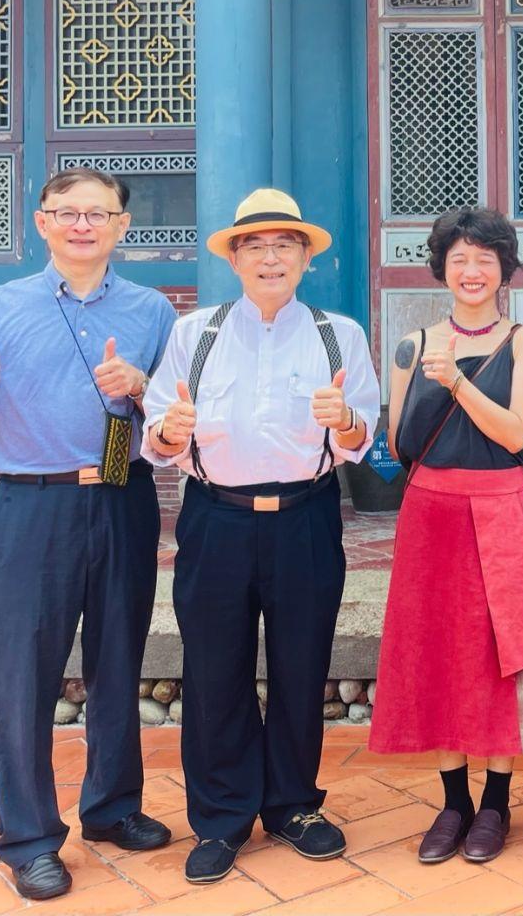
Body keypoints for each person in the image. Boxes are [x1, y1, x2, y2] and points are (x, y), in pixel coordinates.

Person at [0, 167, 177, 902]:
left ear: (122, 226)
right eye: (67, 212)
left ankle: (112, 807)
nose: (82, 225)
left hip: (123, 496)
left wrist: (139, 385)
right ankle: (30, 838)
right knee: (24, 675)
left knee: (117, 661)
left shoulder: (152, 310)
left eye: (98, 214)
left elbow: (173, 416)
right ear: (41, 222)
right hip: (31, 507)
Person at [140, 188, 380, 885]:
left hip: (306, 518)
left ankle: (294, 806)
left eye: (284, 246)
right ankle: (220, 818)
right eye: (255, 247)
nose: (270, 258)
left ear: (305, 259)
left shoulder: (339, 334)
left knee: (303, 665)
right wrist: (169, 431)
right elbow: (157, 433)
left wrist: (345, 422)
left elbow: (363, 436)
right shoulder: (196, 334)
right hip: (215, 518)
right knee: (215, 670)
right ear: (234, 260)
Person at [368, 207, 523, 866]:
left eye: (485, 258)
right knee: (438, 651)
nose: (472, 271)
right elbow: (400, 445)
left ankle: (497, 803)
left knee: (500, 652)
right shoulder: (413, 343)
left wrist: (454, 380)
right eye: (459, 259)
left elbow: (514, 432)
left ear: (504, 269)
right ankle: (453, 802)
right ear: (442, 269)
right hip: (431, 512)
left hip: (500, 507)